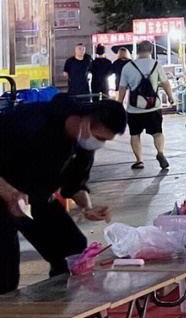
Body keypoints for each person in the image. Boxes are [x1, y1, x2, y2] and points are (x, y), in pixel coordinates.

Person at [0, 96, 125, 299]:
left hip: (32, 197)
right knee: (4, 270)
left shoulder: (83, 145)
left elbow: (74, 183)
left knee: (71, 246)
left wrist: (87, 207)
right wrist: (11, 194)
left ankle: (56, 311)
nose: (100, 144)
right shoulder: (33, 121)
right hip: (4, 190)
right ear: (86, 121)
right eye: (100, 138)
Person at [118, 41, 174, 171]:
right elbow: (165, 83)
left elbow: (122, 88)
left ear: (137, 51)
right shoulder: (156, 65)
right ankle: (160, 152)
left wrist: (119, 104)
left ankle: (139, 160)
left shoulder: (127, 66)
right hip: (153, 107)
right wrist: (170, 97)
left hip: (134, 109)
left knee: (135, 134)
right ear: (151, 51)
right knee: (157, 133)